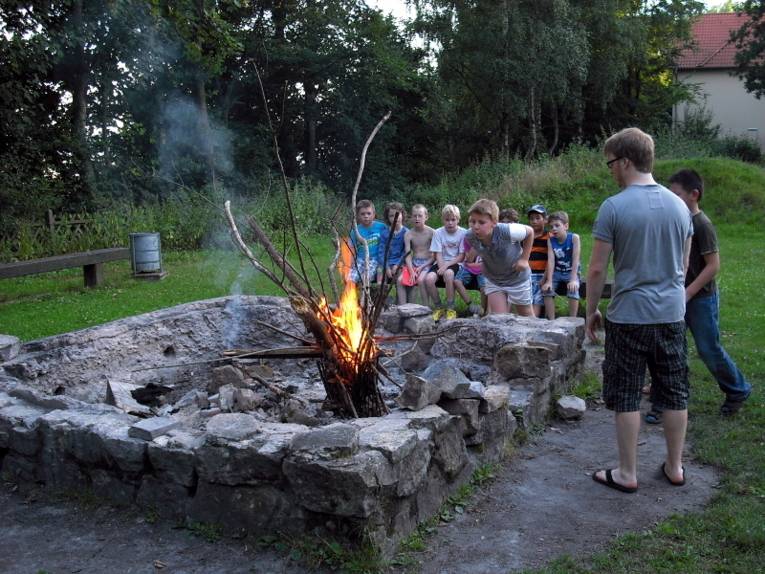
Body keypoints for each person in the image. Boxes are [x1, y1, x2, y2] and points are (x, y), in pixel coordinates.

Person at [586, 127, 693, 493]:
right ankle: (675, 467)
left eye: (611, 163)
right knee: (675, 390)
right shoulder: (680, 206)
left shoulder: (614, 207)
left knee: (627, 392)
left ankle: (628, 473)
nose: (611, 170)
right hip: (671, 314)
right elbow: (683, 263)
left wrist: (591, 311)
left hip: (629, 316)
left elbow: (598, 269)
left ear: (626, 161)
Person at [668, 168, 752, 416]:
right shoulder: (678, 220)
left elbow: (713, 266)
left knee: (708, 348)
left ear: (694, 194)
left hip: (700, 298)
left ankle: (737, 388)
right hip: (678, 295)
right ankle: (670, 392)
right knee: (672, 346)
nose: (672, 199)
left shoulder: (702, 225)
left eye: (677, 194)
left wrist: (689, 293)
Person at [464, 199, 534, 316]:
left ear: (494, 222)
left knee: (526, 317)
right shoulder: (470, 236)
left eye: (481, 222)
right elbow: (485, 252)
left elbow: (530, 232)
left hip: (516, 278)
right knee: (499, 318)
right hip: (494, 280)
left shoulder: (507, 231)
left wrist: (524, 259)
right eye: (473, 221)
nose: (475, 226)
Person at [425, 204, 467, 321]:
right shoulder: (438, 232)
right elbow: (437, 253)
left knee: (449, 274)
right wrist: (441, 266)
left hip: (456, 263)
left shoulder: (463, 233)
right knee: (429, 279)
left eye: (453, 220)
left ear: (458, 220)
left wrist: (446, 267)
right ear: (443, 220)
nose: (450, 223)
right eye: (447, 220)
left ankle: (450, 307)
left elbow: (461, 256)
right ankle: (439, 307)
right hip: (440, 262)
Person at [542, 211, 582, 318]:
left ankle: (573, 320)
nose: (554, 229)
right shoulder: (551, 241)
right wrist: (549, 281)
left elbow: (576, 259)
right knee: (547, 291)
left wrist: (573, 279)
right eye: (551, 227)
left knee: (573, 290)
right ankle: (552, 320)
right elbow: (551, 261)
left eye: (557, 225)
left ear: (566, 226)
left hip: (571, 271)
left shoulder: (574, 238)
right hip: (557, 272)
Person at [400, 204, 435, 305]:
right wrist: (411, 270)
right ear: (411, 217)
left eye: (420, 216)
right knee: (400, 280)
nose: (417, 218)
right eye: (414, 216)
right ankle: (403, 306)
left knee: (420, 280)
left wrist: (422, 266)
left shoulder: (432, 232)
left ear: (426, 217)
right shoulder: (408, 234)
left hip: (428, 263)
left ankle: (426, 307)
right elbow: (407, 254)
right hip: (414, 263)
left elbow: (435, 255)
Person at [348, 199, 387, 285]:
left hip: (374, 259)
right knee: (350, 279)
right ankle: (352, 297)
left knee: (364, 277)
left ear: (373, 214)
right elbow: (351, 248)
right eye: (362, 214)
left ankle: (365, 297)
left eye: (369, 213)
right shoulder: (355, 230)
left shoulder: (381, 227)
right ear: (358, 215)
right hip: (360, 259)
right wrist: (351, 262)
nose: (366, 216)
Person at [527, 205, 554, 319]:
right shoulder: (527, 235)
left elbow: (552, 258)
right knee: (527, 299)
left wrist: (546, 277)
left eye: (538, 218)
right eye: (532, 219)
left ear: (545, 219)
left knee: (537, 301)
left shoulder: (550, 236)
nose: (534, 221)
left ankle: (534, 320)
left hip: (541, 275)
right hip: (527, 275)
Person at [379, 202, 409, 300]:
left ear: (402, 215)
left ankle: (401, 304)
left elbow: (406, 252)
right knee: (380, 274)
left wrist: (397, 265)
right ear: (388, 218)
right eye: (391, 215)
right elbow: (381, 252)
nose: (395, 218)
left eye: (397, 214)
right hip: (386, 263)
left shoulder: (406, 233)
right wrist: (386, 267)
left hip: (400, 263)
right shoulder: (384, 233)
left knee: (400, 279)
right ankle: (381, 303)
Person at [454, 234, 485, 317]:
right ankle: (471, 306)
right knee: (457, 281)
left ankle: (483, 310)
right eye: (472, 223)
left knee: (484, 287)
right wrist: (475, 245)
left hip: (483, 269)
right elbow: (469, 260)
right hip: (468, 268)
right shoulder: (468, 238)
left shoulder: (489, 238)